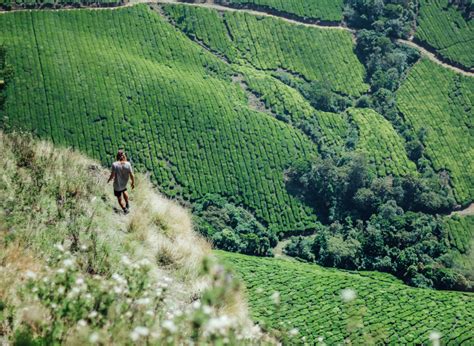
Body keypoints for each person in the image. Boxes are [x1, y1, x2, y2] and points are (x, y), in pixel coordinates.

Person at [107, 149, 135, 214]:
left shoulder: (115, 164)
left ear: (117, 156)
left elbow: (112, 175)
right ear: (124, 156)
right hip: (124, 183)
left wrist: (108, 180)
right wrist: (133, 183)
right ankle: (127, 204)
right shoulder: (128, 164)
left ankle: (125, 209)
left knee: (119, 198)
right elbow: (132, 175)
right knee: (124, 191)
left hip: (117, 185)